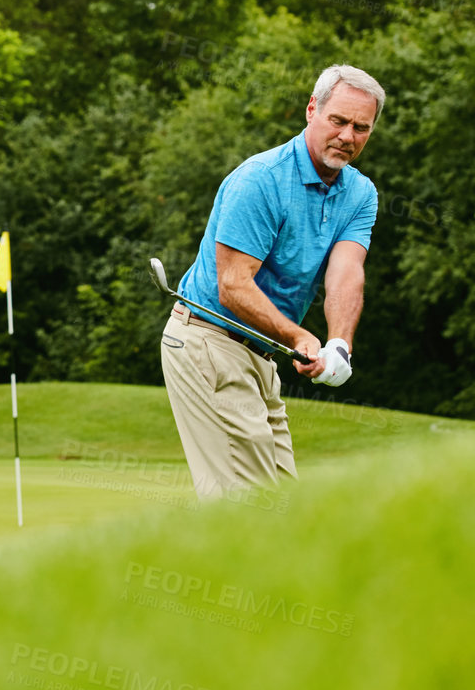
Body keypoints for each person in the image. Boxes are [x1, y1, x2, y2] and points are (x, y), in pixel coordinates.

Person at [159, 64, 385, 500]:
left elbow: (346, 273)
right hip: (209, 339)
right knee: (248, 506)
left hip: (262, 353)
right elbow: (233, 285)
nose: (347, 136)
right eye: (338, 120)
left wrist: (338, 344)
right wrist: (299, 335)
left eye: (361, 127)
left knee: (282, 502)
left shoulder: (360, 194)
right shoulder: (261, 179)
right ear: (311, 110)